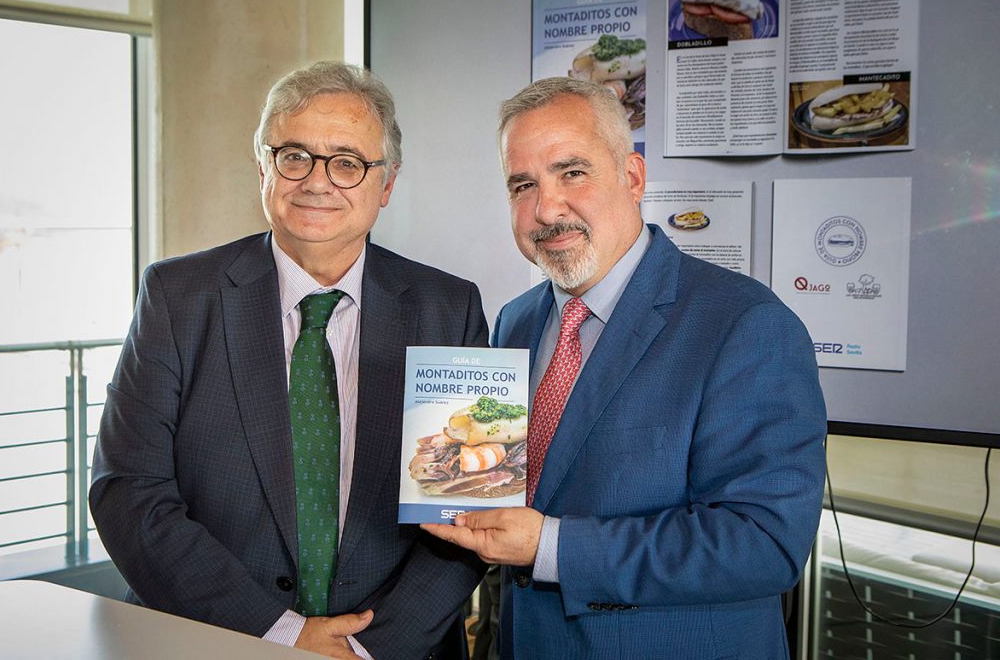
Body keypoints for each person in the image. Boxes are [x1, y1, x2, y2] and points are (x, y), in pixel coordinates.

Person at [90, 61, 488, 660]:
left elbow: (468, 508)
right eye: (294, 156)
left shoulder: (448, 308)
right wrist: (279, 635)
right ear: (263, 169)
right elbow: (127, 491)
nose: (317, 182)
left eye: (347, 162)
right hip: (212, 641)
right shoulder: (177, 296)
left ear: (387, 184)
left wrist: (369, 649)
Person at [423, 77, 827, 659]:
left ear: (633, 177)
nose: (546, 209)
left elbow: (764, 543)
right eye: (523, 185)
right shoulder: (515, 320)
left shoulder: (746, 324)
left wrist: (551, 547)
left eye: (572, 172)